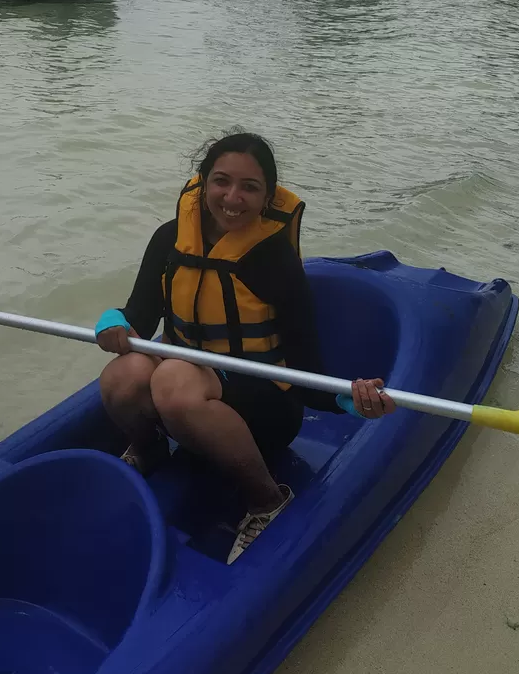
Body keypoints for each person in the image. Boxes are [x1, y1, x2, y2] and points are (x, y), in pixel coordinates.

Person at [95, 131, 396, 563]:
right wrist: (113, 323)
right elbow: (138, 320)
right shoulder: (169, 239)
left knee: (173, 379)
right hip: (185, 392)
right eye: (221, 181)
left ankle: (267, 500)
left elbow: (306, 370)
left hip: (263, 409)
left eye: (249, 187)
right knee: (122, 375)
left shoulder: (275, 261)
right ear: (201, 182)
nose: (232, 197)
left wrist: (351, 399)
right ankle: (148, 448)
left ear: (267, 197)